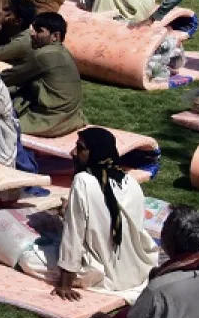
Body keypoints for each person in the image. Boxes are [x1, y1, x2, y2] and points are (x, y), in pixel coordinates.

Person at [45, 127, 157, 302]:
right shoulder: (131, 182)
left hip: (104, 275)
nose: (73, 152)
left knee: (31, 252)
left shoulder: (83, 181)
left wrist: (64, 284)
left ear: (96, 153)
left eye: (80, 148)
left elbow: (74, 234)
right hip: (138, 271)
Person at [0, 11, 87, 137]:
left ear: (55, 36)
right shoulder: (62, 52)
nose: (32, 34)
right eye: (33, 29)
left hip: (50, 120)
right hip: (71, 117)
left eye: (39, 31)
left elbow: (8, 77)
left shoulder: (44, 55)